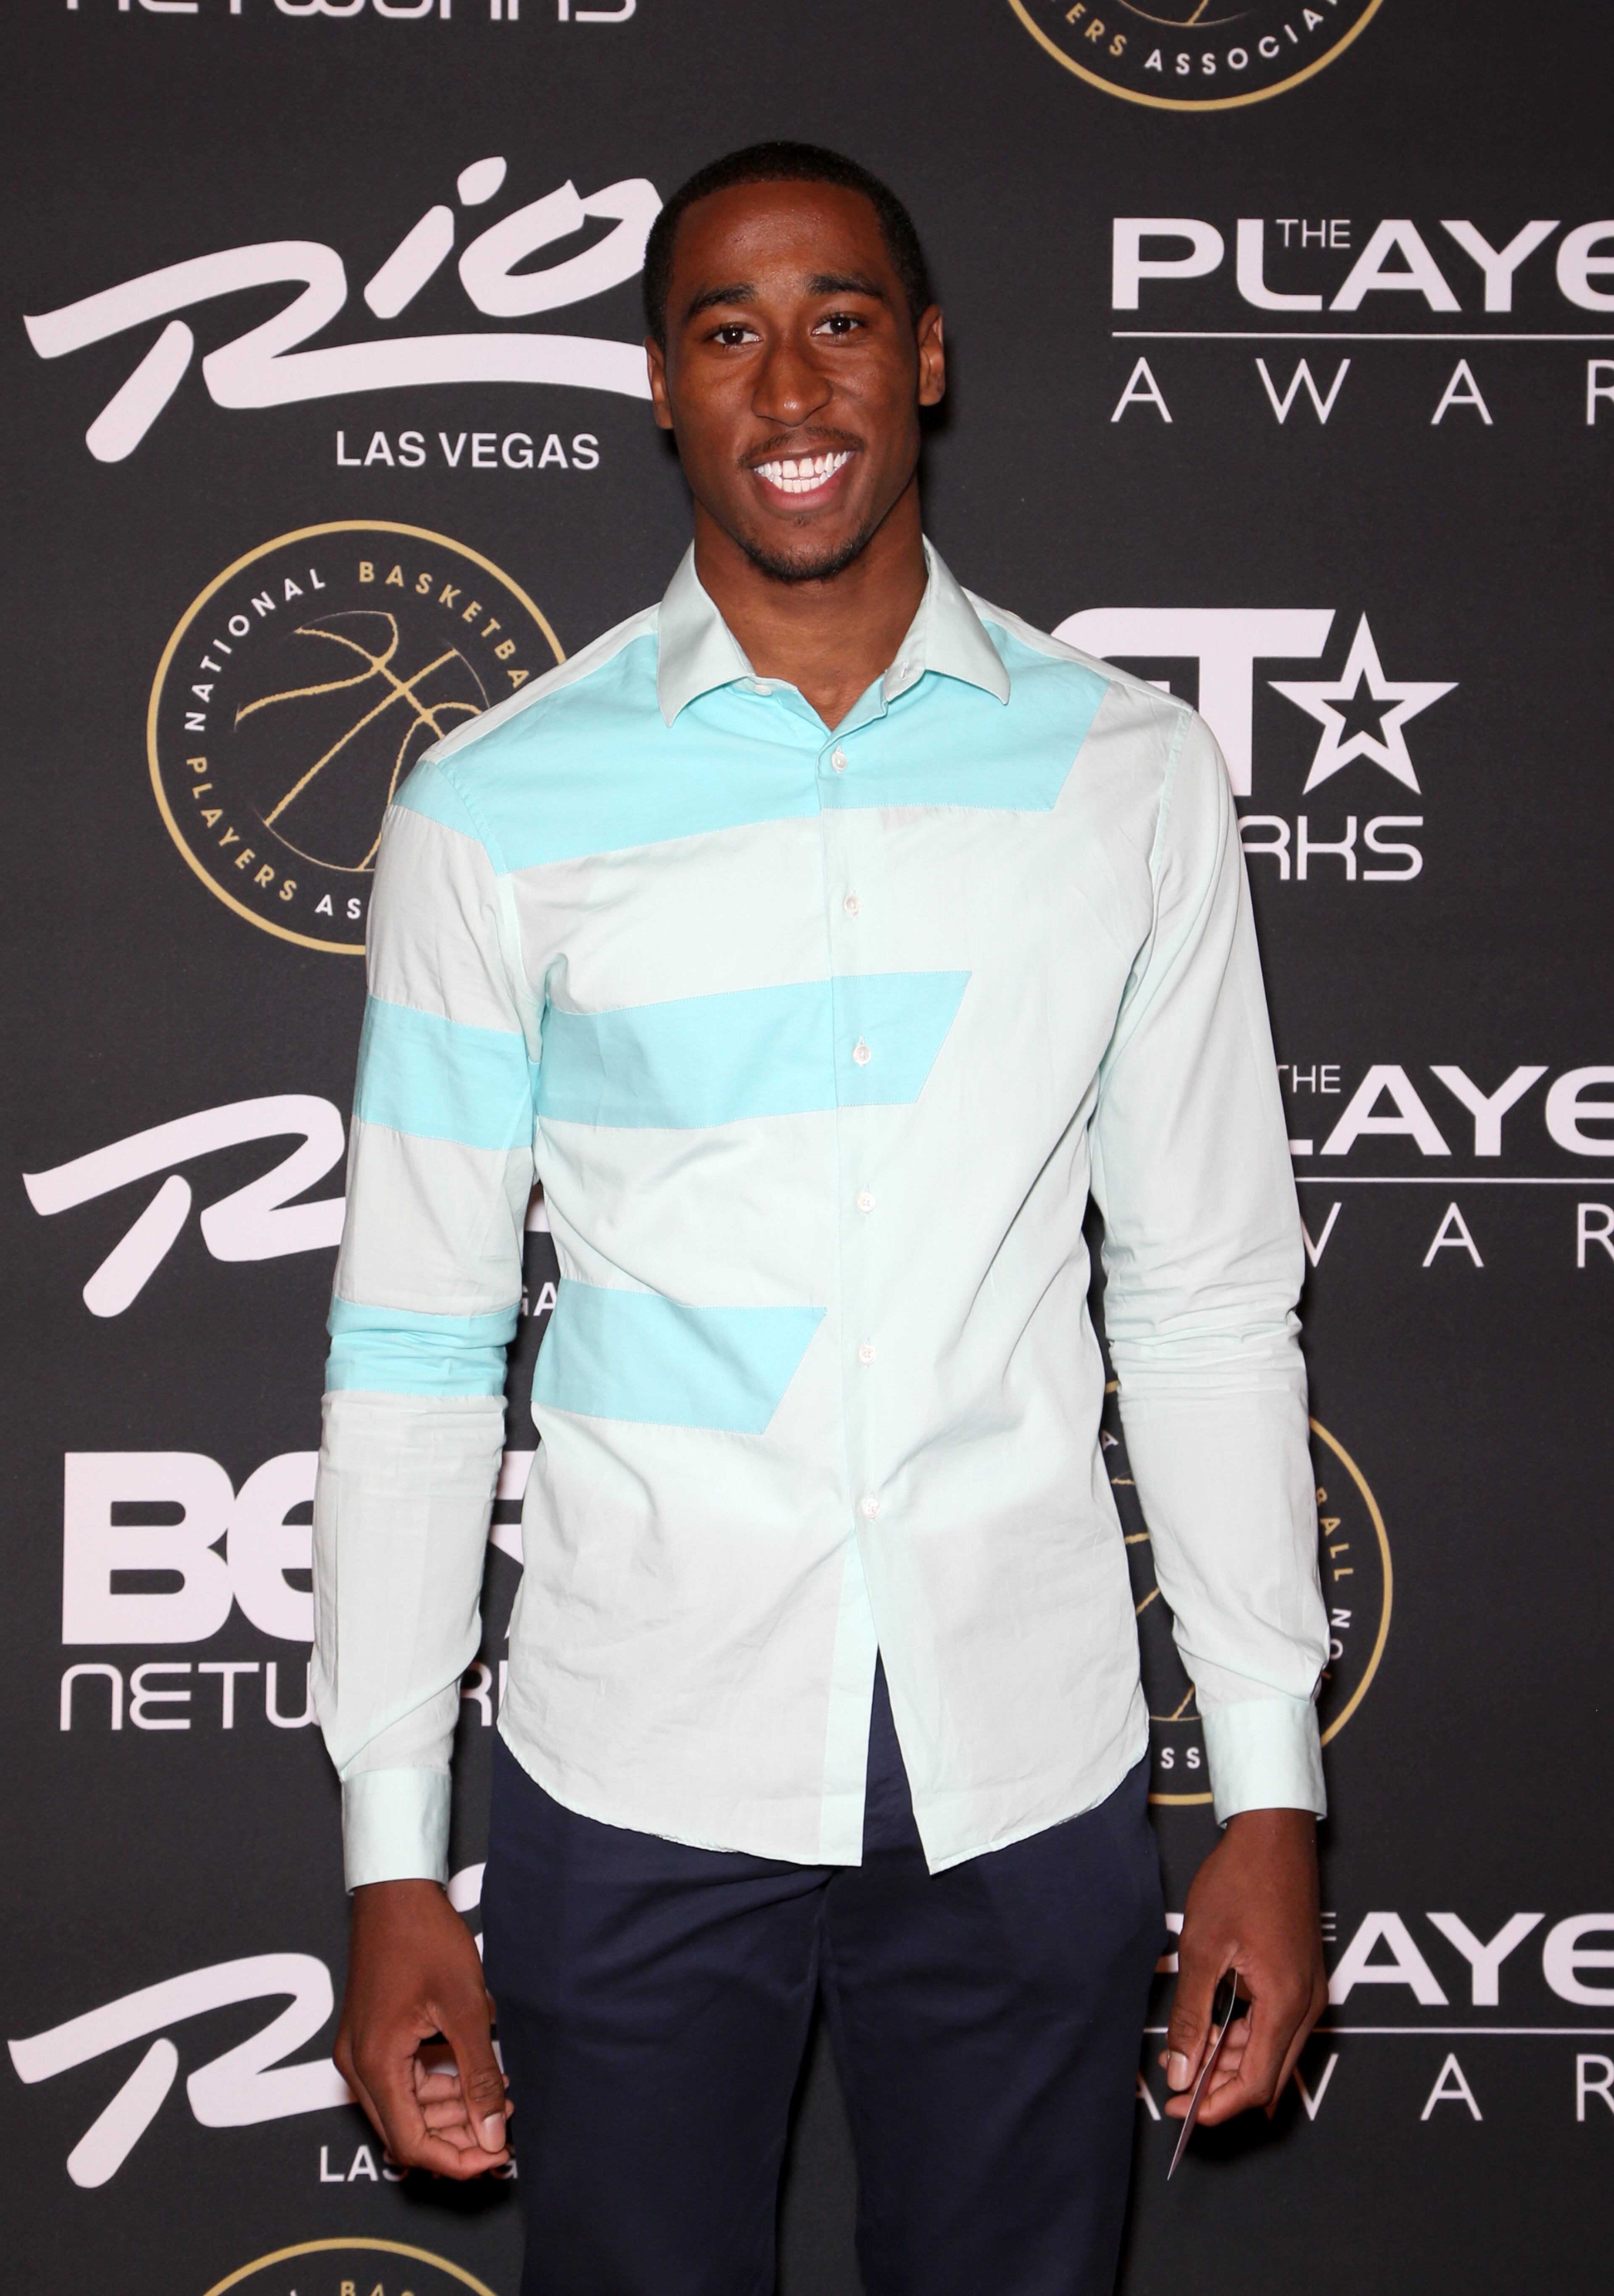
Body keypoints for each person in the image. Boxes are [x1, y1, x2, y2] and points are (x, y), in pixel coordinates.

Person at [313, 140, 1330, 2296]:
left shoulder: (1125, 777)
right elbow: (414, 1341)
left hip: (1029, 1763)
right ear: (663, 391)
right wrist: (394, 1853)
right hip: (636, 1750)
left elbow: (1210, 1300)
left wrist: (1267, 1792)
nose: (791, 382)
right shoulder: (494, 805)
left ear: (929, 357)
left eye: (842, 317)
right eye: (725, 329)